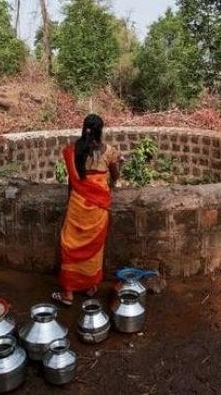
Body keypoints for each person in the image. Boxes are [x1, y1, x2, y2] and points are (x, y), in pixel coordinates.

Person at [52, 114, 122, 306]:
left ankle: (68, 293)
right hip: (98, 207)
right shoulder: (109, 152)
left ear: (84, 129)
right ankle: (91, 286)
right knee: (95, 248)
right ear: (101, 131)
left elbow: (71, 183)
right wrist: (110, 183)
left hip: (77, 206)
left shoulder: (74, 150)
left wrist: (70, 203)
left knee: (70, 245)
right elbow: (115, 176)